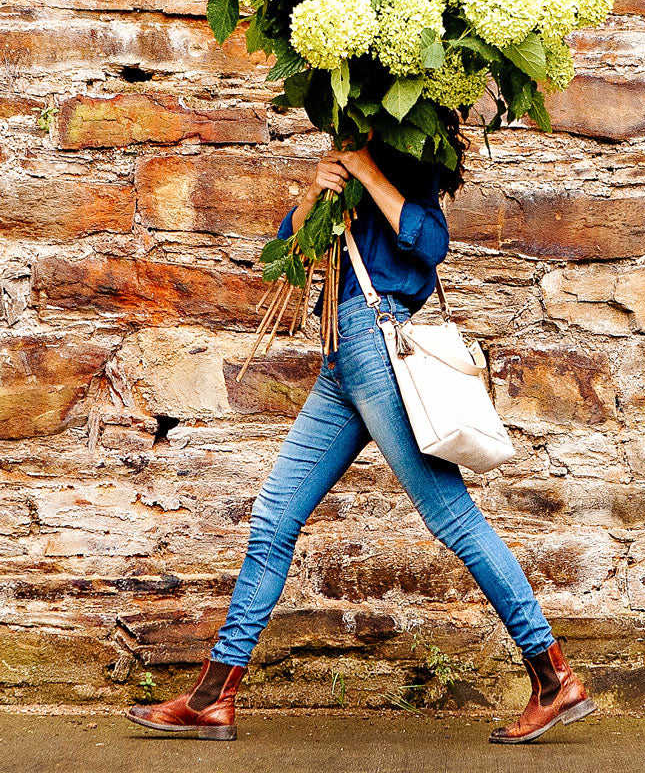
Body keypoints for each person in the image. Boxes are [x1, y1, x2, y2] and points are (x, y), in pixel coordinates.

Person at [125, 125, 595, 743]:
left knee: (451, 518)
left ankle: (551, 674)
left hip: (378, 343)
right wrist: (315, 195)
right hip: (340, 357)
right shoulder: (349, 149)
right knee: (273, 516)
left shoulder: (413, 149)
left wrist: (367, 168)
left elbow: (431, 243)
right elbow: (285, 259)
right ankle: (214, 697)